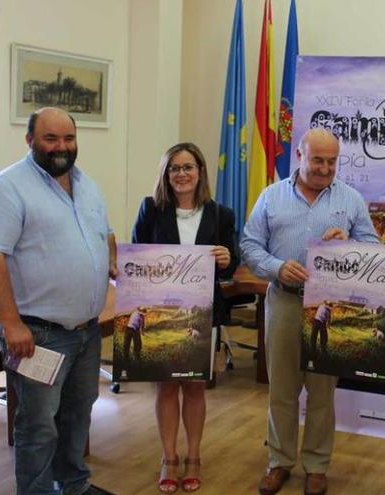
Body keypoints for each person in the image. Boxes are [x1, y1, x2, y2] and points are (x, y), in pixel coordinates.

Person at [0, 107, 116, 495]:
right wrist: (12, 326)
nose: (61, 147)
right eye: (51, 139)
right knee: (38, 424)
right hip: (36, 335)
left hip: (85, 330)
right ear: (30, 140)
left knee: (77, 414)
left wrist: (113, 262)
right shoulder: (7, 188)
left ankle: (73, 485)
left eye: (68, 139)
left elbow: (105, 233)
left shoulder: (87, 184)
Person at [241, 128, 379, 495]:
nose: (325, 168)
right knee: (282, 390)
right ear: (299, 156)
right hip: (285, 300)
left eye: (332, 161)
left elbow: (372, 247)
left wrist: (349, 245)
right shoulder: (271, 197)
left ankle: (317, 466)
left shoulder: (351, 200)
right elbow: (250, 246)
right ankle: (279, 462)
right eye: (317, 160)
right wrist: (275, 267)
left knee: (322, 392)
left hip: (330, 306)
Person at [131, 142, 236, 493]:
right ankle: (168, 457)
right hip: (162, 311)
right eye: (174, 168)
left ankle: (193, 457)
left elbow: (232, 265)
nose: (181, 174)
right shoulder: (150, 209)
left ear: (200, 171)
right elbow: (137, 261)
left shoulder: (221, 214)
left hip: (202, 314)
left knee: (193, 386)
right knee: (165, 387)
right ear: (166, 174)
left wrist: (226, 260)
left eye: (188, 167)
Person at [309, 301, 332, 365]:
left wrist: (328, 324)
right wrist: (328, 324)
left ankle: (321, 350)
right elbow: (328, 318)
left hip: (319, 322)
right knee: (316, 337)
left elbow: (329, 318)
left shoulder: (324, 308)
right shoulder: (323, 307)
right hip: (318, 321)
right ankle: (315, 351)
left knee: (321, 337)